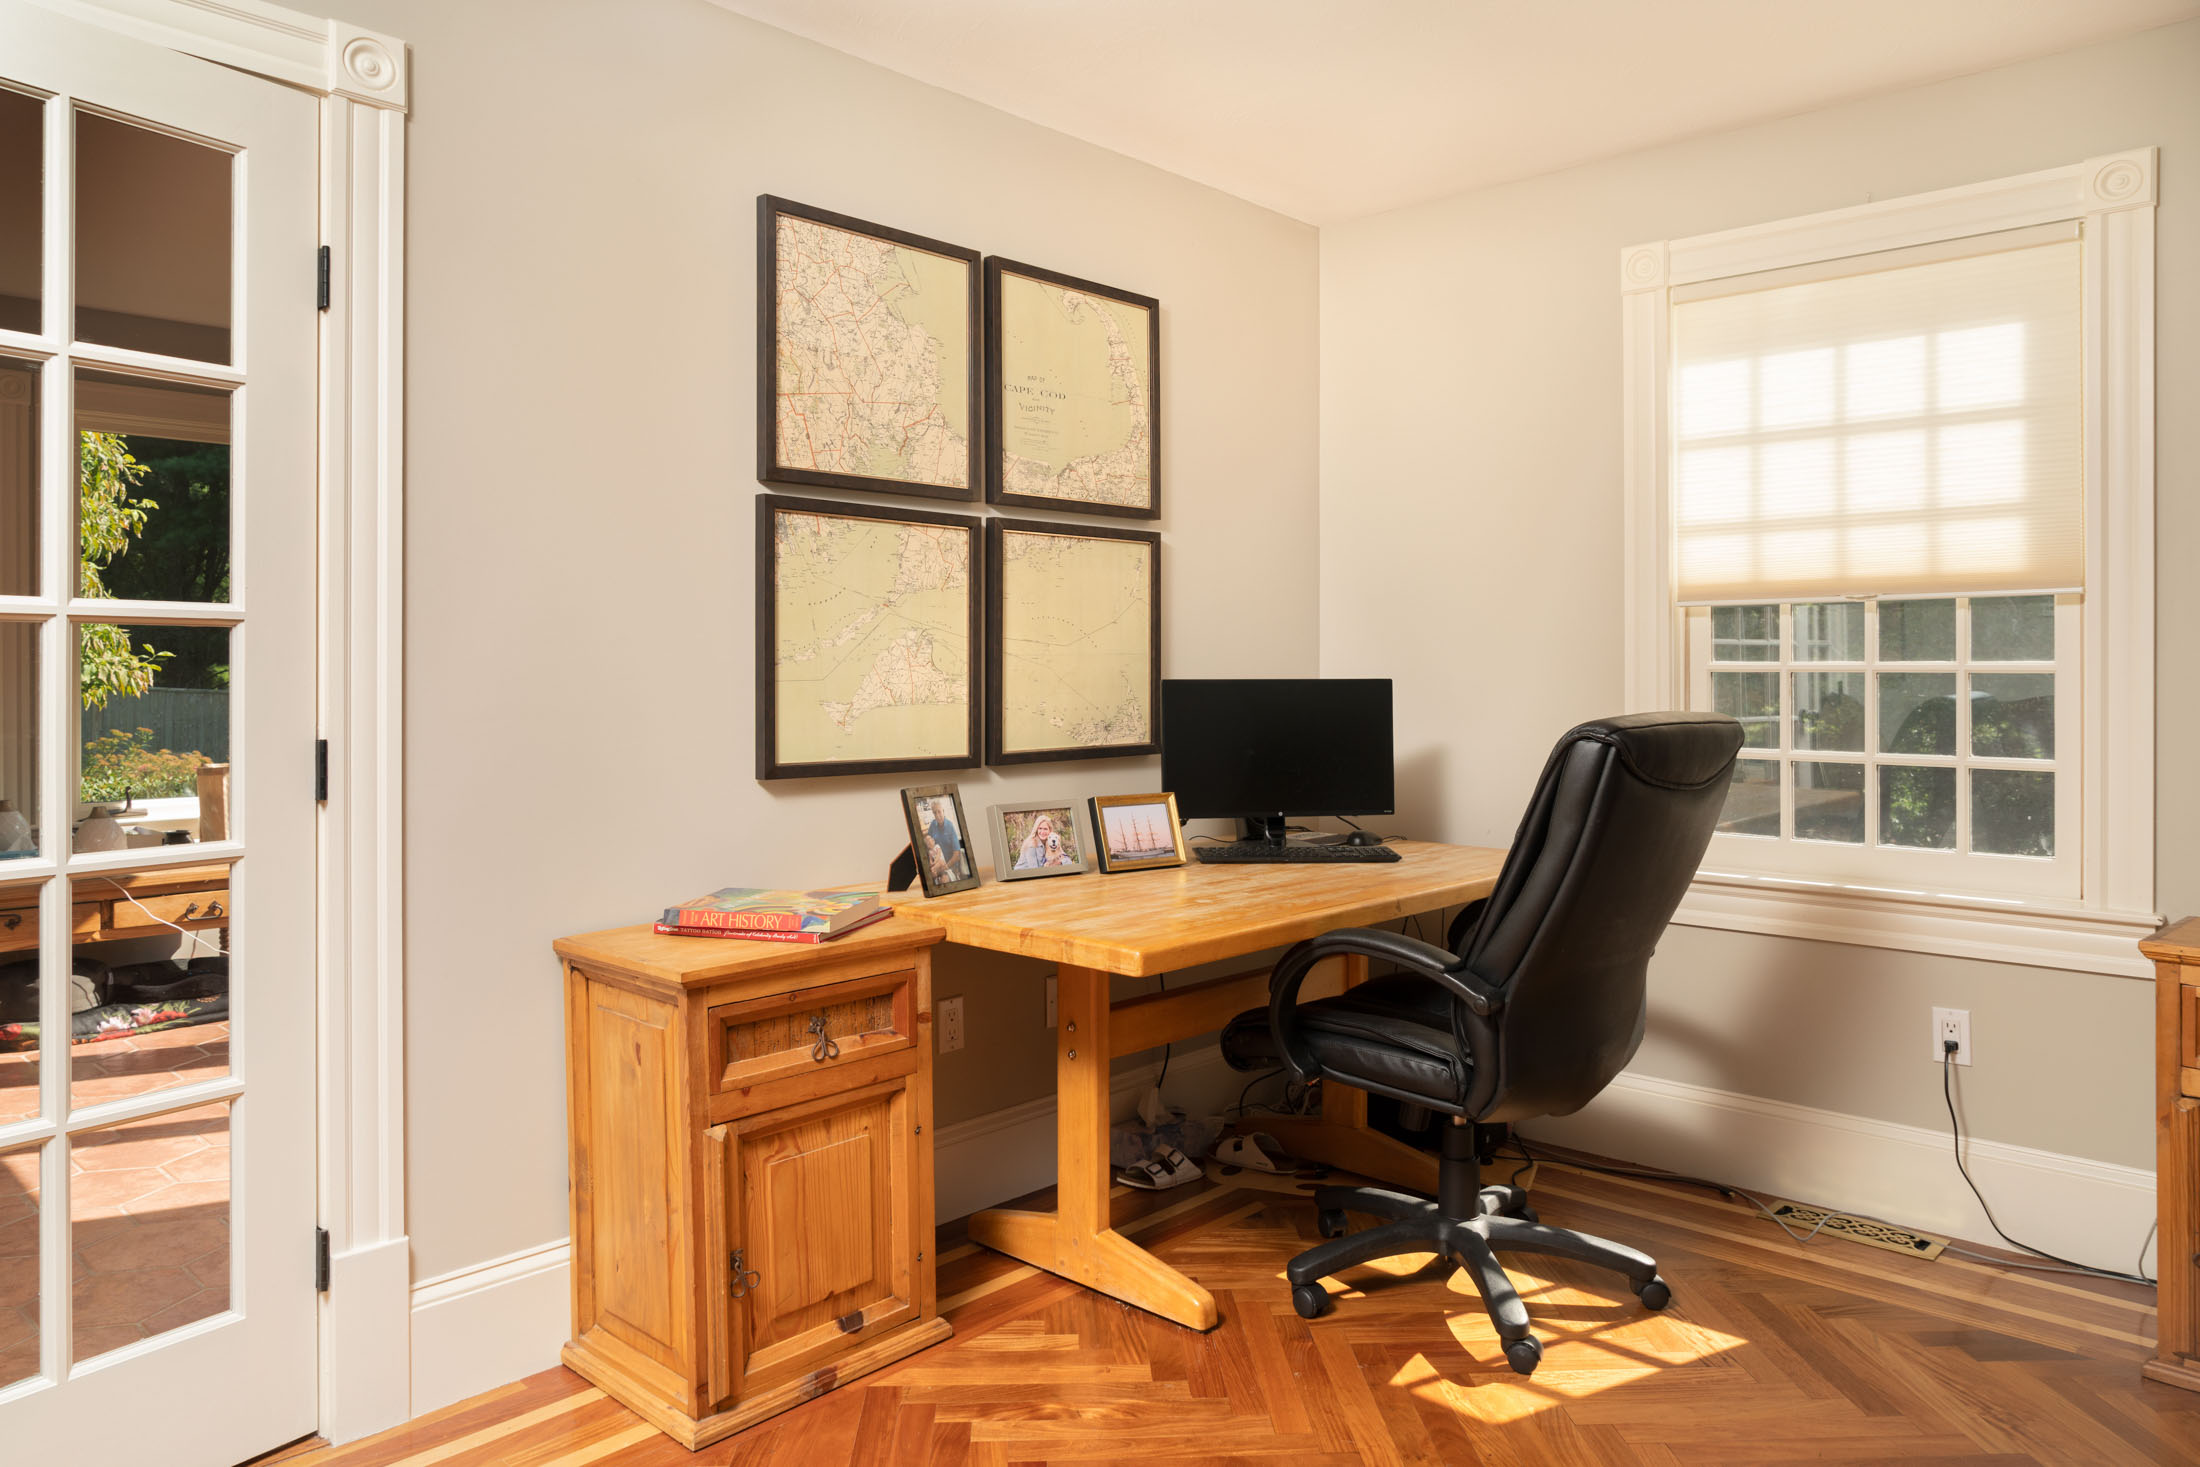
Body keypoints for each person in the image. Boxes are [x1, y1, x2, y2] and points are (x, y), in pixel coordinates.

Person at [923, 799, 968, 881]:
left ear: (943, 811)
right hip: (938, 864)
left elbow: (957, 855)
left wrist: (945, 867)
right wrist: (931, 864)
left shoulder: (950, 826)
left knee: (944, 880)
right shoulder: (933, 825)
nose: (937, 815)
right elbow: (927, 845)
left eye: (939, 811)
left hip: (950, 865)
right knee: (929, 877)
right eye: (934, 812)